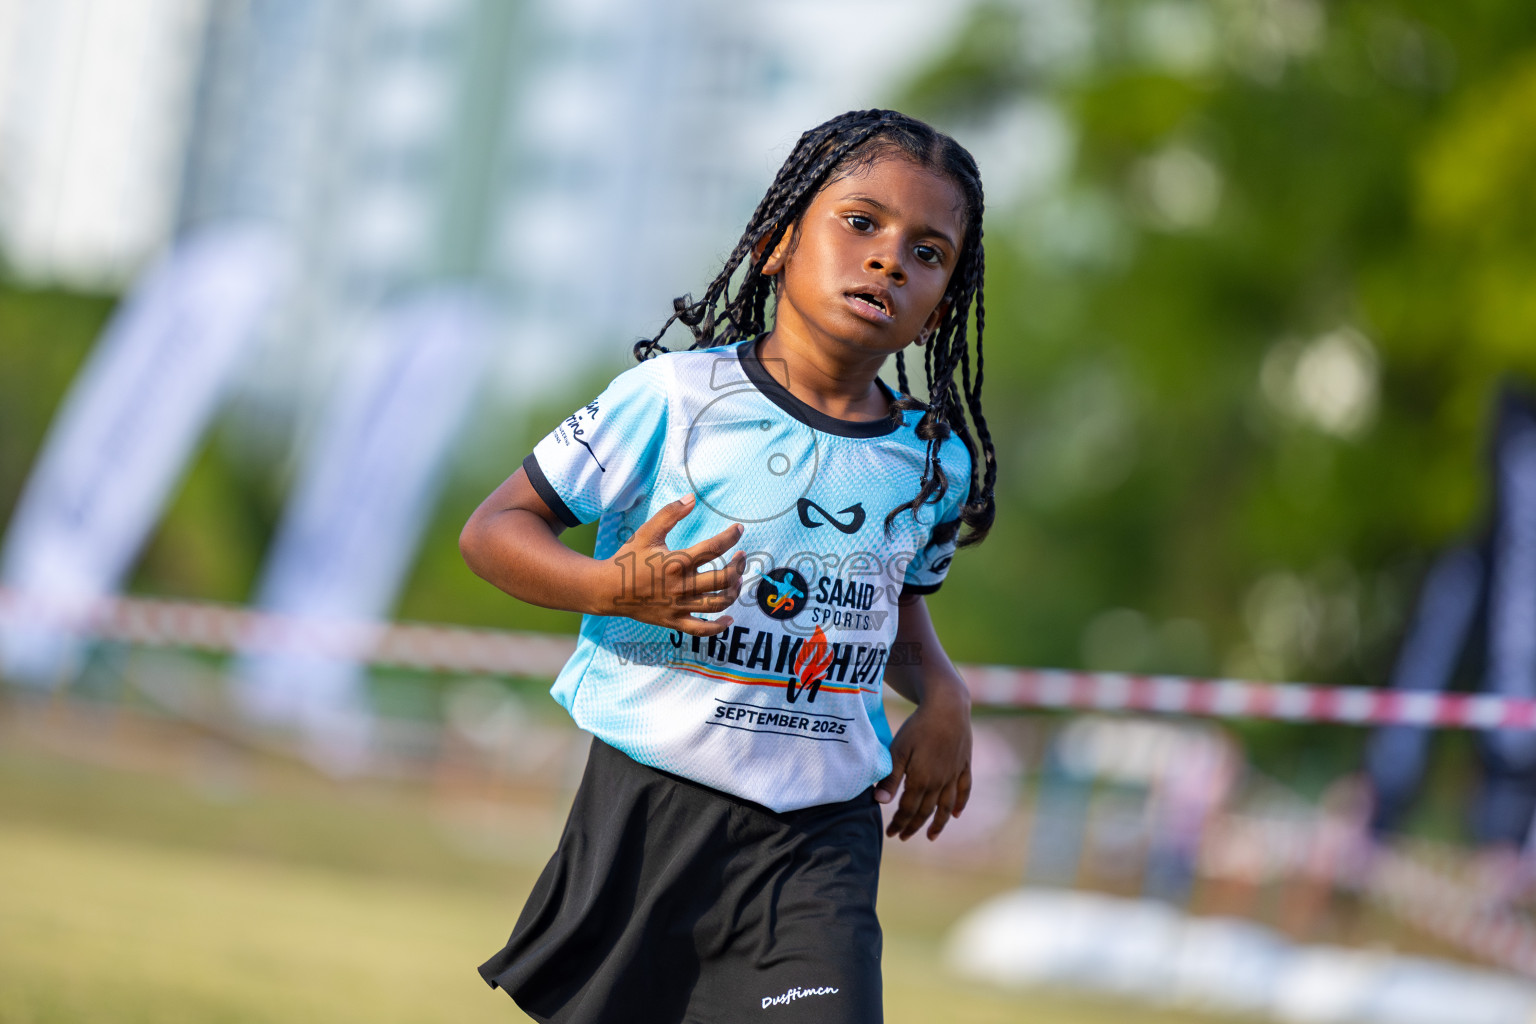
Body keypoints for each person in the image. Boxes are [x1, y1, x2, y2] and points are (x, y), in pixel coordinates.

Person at [460, 108, 997, 1024]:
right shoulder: (672, 399)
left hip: (821, 835)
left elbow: (895, 612)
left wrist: (944, 694)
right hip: (652, 807)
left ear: (940, 306)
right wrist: (607, 586)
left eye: (926, 252)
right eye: (860, 223)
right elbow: (494, 529)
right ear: (777, 243)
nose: (889, 260)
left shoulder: (934, 463)